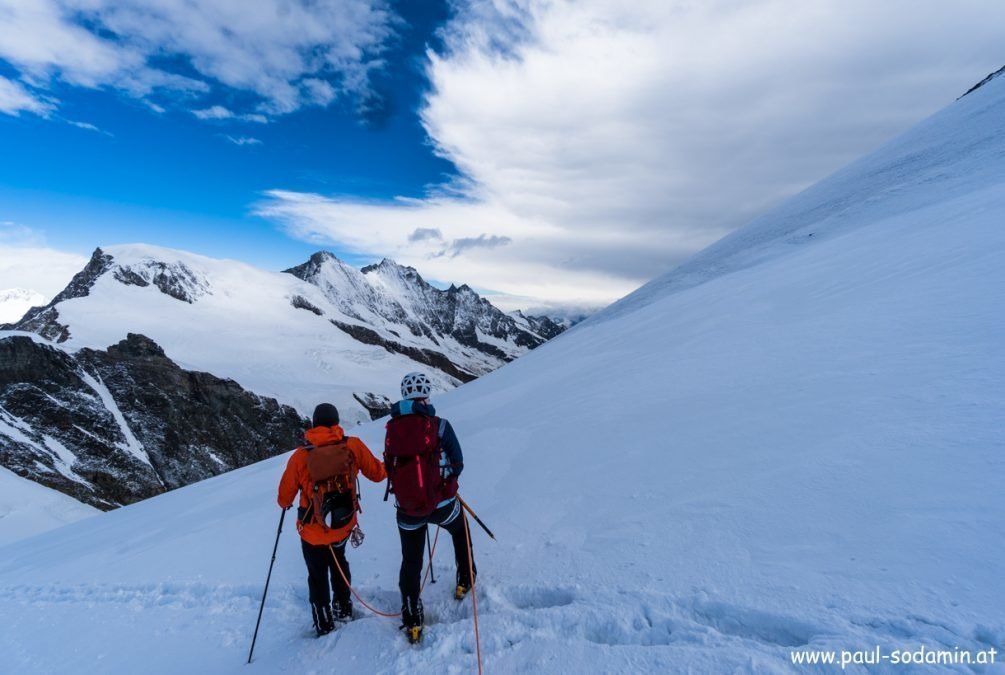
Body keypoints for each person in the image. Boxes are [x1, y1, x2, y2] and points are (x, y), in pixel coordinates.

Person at [278, 403, 385, 637]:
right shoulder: (352, 446)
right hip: (342, 524)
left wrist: (289, 501)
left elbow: (283, 498)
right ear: (337, 423)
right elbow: (378, 474)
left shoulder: (300, 456)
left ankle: (324, 622)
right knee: (339, 560)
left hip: (312, 531)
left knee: (316, 573)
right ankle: (343, 607)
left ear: (314, 424)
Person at [384, 372, 476, 643]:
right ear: (426, 395)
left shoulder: (392, 428)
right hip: (442, 503)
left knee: (411, 561)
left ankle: (412, 616)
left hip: (407, 509)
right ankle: (465, 579)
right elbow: (457, 462)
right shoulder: (440, 425)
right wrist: (446, 487)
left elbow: (390, 466)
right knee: (460, 531)